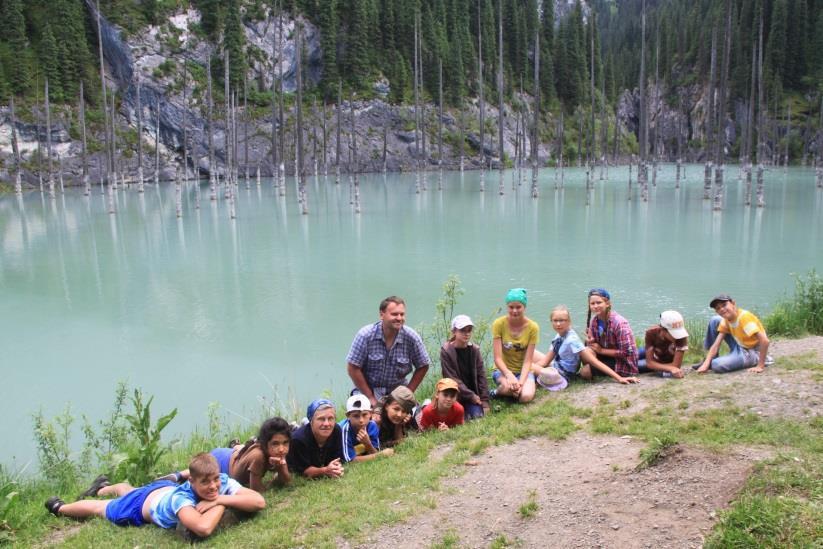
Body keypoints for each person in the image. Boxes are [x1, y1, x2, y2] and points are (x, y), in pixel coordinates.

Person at [45, 453, 265, 539]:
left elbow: (258, 501)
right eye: (205, 482)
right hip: (141, 505)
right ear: (191, 481)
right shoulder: (182, 499)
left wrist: (219, 499)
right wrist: (219, 501)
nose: (213, 486)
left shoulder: (221, 483)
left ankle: (105, 485)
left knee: (129, 490)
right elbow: (203, 528)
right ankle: (59, 507)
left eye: (215, 479)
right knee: (100, 508)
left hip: (160, 490)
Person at [346, 296, 431, 408]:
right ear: (382, 315)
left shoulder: (412, 338)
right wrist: (370, 397)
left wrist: (408, 392)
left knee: (410, 419)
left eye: (402, 314)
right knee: (363, 418)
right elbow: (352, 367)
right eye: (394, 314)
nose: (399, 318)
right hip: (367, 390)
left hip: (397, 392)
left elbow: (423, 365)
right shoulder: (365, 335)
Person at [168, 417, 292, 492]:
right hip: (224, 462)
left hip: (235, 456)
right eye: (275, 444)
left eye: (285, 443)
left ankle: (236, 445)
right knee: (202, 473)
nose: (281, 449)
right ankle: (177, 476)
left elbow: (286, 480)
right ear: (265, 444)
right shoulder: (258, 456)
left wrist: (282, 465)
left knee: (240, 453)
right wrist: (270, 485)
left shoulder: (278, 451)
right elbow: (256, 489)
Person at [533, 305, 632, 385]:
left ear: (569, 321)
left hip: (562, 376)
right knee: (530, 355)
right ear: (551, 322)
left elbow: (594, 362)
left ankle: (523, 377)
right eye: (555, 321)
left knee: (528, 366)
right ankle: (524, 376)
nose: (558, 324)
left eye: (562, 320)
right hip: (555, 367)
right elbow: (546, 361)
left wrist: (619, 378)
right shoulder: (559, 336)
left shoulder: (572, 340)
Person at [697, 294, 772, 374]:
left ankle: (758, 359)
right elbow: (716, 344)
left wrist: (760, 366)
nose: (722, 309)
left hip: (751, 352)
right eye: (718, 308)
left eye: (724, 305)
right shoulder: (727, 319)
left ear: (733, 303)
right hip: (740, 345)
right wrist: (707, 363)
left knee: (716, 364)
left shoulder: (744, 318)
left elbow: (765, 341)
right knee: (715, 320)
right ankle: (709, 361)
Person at [491, 288, 539, 403]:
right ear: (507, 307)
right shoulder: (499, 324)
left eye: (518, 307)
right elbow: (497, 358)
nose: (514, 311)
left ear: (524, 307)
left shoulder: (533, 327)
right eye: (511, 307)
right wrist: (509, 375)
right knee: (508, 388)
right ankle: (496, 392)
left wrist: (521, 383)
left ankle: (522, 388)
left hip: (523, 370)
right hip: (502, 370)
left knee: (525, 397)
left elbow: (528, 361)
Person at [439, 314, 490, 420]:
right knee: (458, 418)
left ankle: (489, 396)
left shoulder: (475, 350)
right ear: (454, 332)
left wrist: (484, 402)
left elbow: (481, 376)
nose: (466, 334)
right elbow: (452, 378)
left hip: (473, 395)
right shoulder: (446, 351)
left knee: (477, 417)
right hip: (454, 395)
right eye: (462, 330)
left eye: (469, 330)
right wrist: (472, 396)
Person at [584, 288, 640, 383]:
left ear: (608, 303)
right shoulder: (595, 321)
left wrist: (601, 351)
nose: (595, 306)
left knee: (585, 371)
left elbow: (626, 352)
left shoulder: (619, 323)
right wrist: (591, 341)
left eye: (599, 302)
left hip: (623, 361)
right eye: (592, 304)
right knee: (586, 352)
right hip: (608, 356)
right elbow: (596, 345)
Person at [287, 399, 345, 479]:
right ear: (311, 421)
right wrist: (325, 470)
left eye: (330, 418)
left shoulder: (336, 430)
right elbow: (304, 471)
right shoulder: (298, 440)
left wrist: (335, 467)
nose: (326, 424)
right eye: (321, 419)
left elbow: (337, 459)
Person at [339, 394, 394, 463]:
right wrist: (381, 455)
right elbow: (351, 461)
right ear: (348, 416)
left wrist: (367, 444)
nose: (361, 420)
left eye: (364, 415)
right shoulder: (344, 429)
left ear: (370, 413)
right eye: (356, 416)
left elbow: (375, 451)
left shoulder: (372, 426)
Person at [637, 311, 689, 378]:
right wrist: (671, 368)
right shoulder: (651, 332)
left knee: (632, 366)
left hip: (662, 362)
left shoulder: (682, 337)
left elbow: (676, 365)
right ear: (663, 330)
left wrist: (667, 368)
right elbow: (650, 362)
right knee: (630, 355)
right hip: (652, 352)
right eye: (674, 333)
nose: (677, 337)